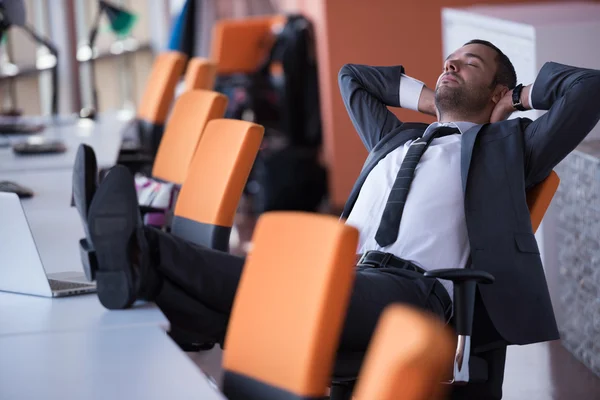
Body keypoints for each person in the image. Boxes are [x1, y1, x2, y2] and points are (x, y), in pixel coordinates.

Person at [73, 39, 600, 398]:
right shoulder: (394, 139)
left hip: (414, 293)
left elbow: (589, 90)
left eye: (470, 64)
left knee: (271, 291)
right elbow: (354, 78)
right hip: (351, 273)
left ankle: (141, 249)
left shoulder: (508, 148)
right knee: (266, 296)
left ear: (495, 93)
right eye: (451, 58)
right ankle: (137, 265)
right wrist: (431, 101)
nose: (451, 64)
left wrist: (520, 99)